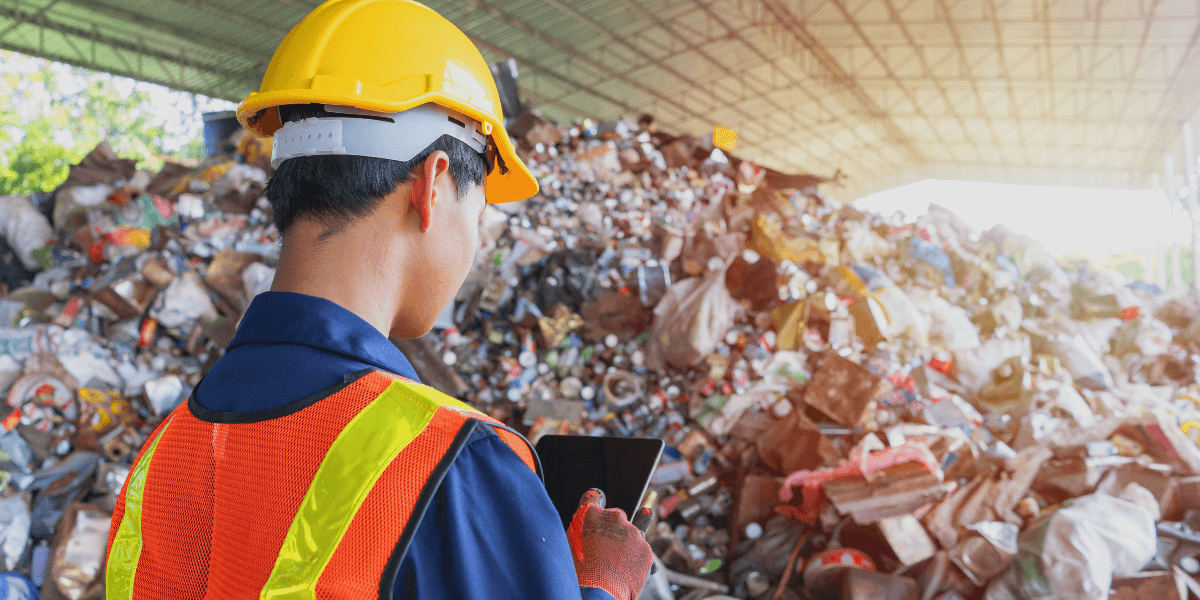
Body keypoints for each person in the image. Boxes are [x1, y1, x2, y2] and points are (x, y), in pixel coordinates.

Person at [104, 1, 655, 598]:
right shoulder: (454, 467)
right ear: (433, 184)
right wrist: (603, 587)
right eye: (480, 211)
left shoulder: (162, 457)